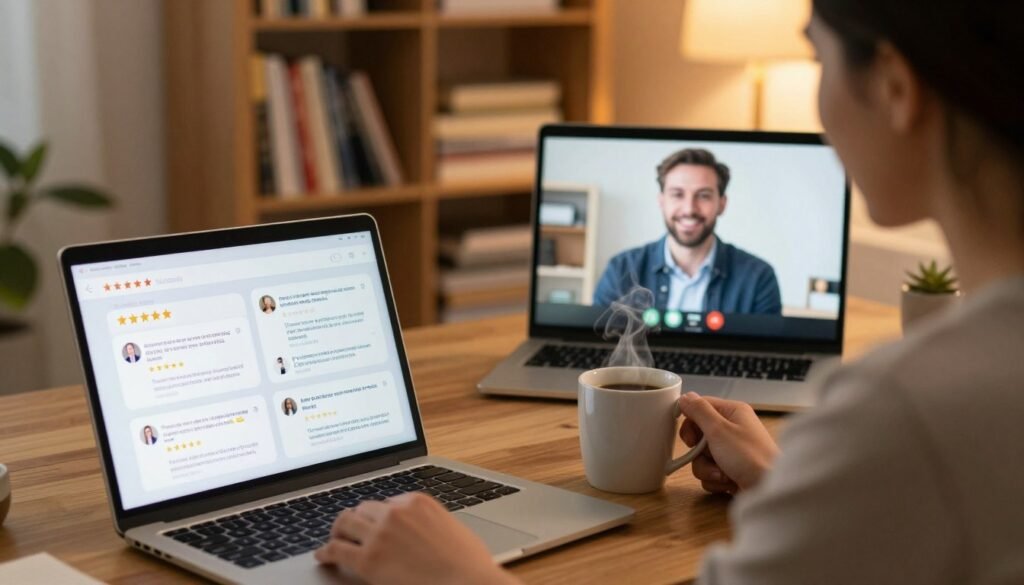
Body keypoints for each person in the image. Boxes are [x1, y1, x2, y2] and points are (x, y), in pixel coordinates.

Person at [314, 2, 1024, 584]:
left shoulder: (903, 412)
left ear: (896, 89)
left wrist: (455, 576)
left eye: (817, 58)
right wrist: (793, 488)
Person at [592, 148, 782, 315]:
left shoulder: (758, 277)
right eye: (677, 194)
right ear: (661, 201)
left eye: (704, 196)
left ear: (722, 204)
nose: (689, 209)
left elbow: (769, 352)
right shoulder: (621, 270)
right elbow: (599, 345)